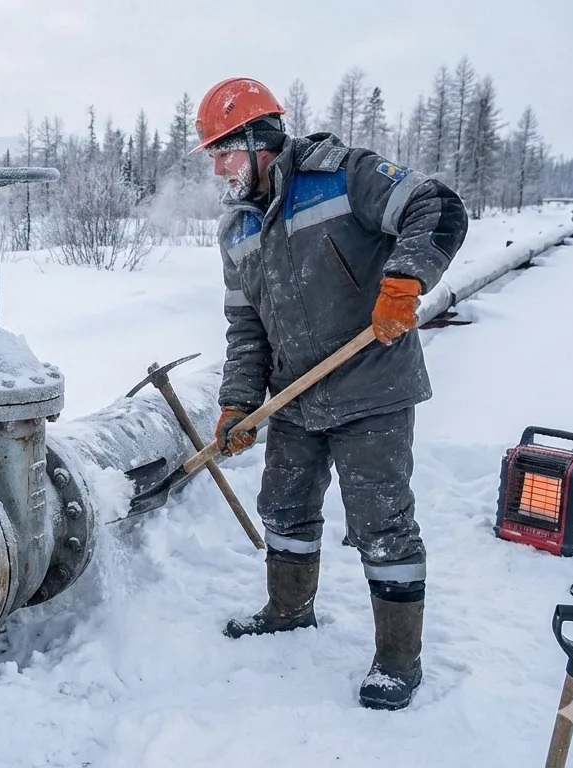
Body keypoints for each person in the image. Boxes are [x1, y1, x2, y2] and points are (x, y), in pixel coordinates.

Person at [195, 77, 469, 710]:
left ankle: (399, 660)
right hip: (295, 397)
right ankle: (289, 610)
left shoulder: (344, 176)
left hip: (372, 385)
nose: (217, 167)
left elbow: (437, 206)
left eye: (224, 150)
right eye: (210, 154)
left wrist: (405, 280)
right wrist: (239, 402)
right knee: (283, 508)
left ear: (261, 140)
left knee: (381, 523)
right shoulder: (236, 230)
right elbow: (246, 328)